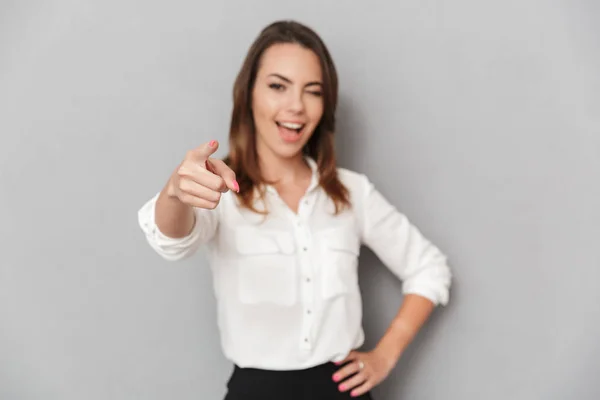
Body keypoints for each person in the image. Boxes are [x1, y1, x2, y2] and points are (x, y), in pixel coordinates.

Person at [137, 20, 452, 400]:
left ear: (326, 104)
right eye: (277, 86)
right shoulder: (220, 189)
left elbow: (429, 268)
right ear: (248, 93)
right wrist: (175, 192)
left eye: (313, 91)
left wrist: (385, 355)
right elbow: (173, 242)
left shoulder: (352, 193)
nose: (296, 107)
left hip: (341, 391)